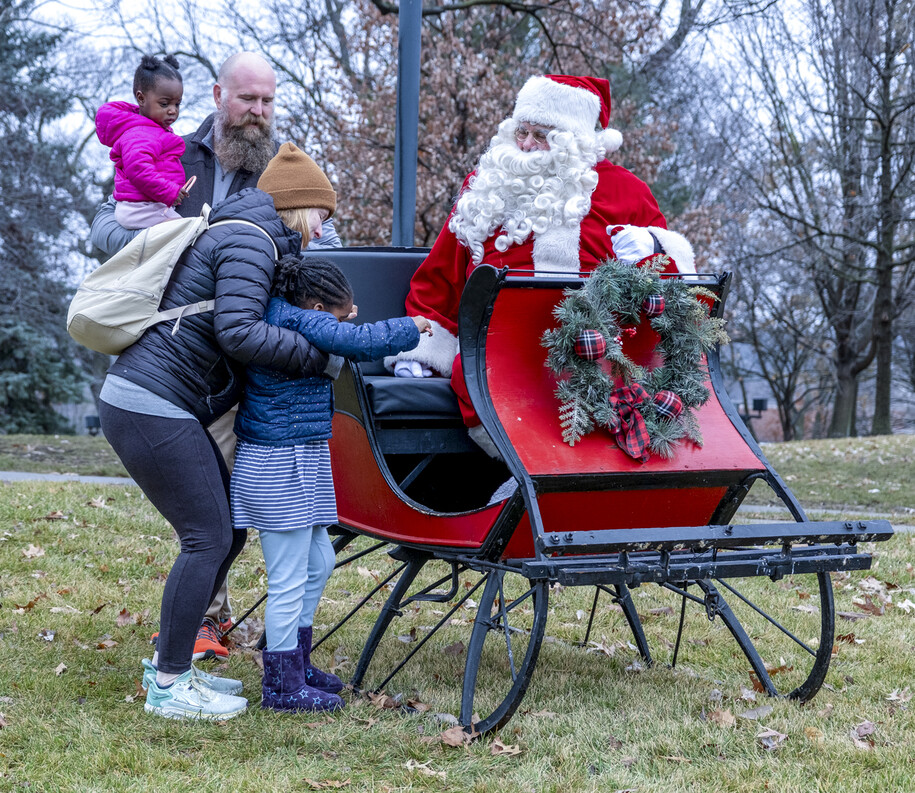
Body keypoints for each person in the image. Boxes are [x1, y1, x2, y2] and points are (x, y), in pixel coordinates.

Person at [90, 51, 340, 661]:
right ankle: (190, 635)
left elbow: (322, 245)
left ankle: (205, 621)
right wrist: (184, 240)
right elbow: (103, 225)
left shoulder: (283, 172)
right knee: (205, 519)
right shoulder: (168, 152)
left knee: (231, 502)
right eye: (247, 99)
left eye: (268, 102)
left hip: (240, 372)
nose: (258, 113)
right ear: (217, 95)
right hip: (174, 351)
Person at [384, 74, 697, 456]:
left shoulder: (625, 191)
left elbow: (668, 290)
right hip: (496, 364)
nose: (527, 145)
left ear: (573, 140)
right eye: (522, 131)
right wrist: (418, 349)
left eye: (542, 135)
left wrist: (653, 245)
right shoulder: (485, 186)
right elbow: (441, 278)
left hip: (598, 364)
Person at [231, 253, 431, 712]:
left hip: (302, 452)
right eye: (345, 309)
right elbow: (355, 341)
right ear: (319, 309)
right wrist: (412, 327)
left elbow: (344, 331)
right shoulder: (296, 320)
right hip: (278, 461)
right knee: (288, 577)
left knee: (319, 560)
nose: (353, 313)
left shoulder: (295, 314)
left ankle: (294, 663)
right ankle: (280, 685)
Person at [94, 54, 192, 229]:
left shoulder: (152, 130)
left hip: (148, 206)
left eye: (177, 104)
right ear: (141, 98)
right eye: (164, 104)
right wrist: (170, 191)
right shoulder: (139, 134)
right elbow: (139, 170)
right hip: (139, 209)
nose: (172, 111)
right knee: (186, 232)